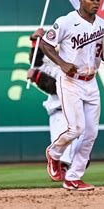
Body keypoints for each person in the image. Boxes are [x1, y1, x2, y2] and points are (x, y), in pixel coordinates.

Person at [41, 0, 104, 191]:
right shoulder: (66, 21)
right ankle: (54, 153)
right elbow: (45, 44)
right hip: (70, 81)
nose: (96, 2)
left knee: (90, 134)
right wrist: (62, 63)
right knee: (76, 129)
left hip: (91, 82)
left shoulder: (103, 25)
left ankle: (74, 177)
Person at [26, 28, 79, 171]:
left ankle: (66, 167)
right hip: (55, 111)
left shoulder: (73, 65)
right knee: (57, 146)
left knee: (68, 150)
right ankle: (63, 167)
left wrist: (37, 77)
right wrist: (35, 42)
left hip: (69, 110)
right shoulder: (54, 63)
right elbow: (36, 63)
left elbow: (58, 88)